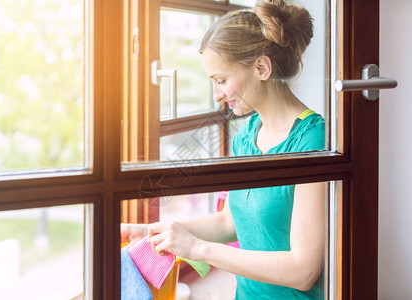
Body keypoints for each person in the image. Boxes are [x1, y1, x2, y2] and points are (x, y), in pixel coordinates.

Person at [121, 0, 325, 298]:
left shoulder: (312, 141)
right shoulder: (246, 137)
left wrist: (198, 248)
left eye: (222, 80)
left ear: (261, 68)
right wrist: (154, 232)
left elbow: (303, 270)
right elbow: (229, 222)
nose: (217, 95)